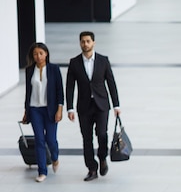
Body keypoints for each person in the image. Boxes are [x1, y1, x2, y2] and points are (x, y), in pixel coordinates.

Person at [66, 31, 120, 182]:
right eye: (83, 41)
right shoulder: (74, 62)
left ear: (93, 43)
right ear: (80, 43)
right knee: (87, 138)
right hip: (84, 107)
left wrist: (116, 104)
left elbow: (111, 83)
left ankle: (102, 157)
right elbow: (70, 87)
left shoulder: (103, 61)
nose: (85, 44)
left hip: (101, 104)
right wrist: (69, 108)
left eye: (88, 41)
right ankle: (91, 168)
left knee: (102, 134)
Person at [22, 42, 64, 183]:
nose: (38, 56)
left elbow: (60, 91)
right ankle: (42, 171)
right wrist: (26, 111)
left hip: (50, 110)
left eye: (41, 53)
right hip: (35, 110)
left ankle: (55, 158)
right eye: (35, 54)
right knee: (39, 140)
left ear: (46, 54)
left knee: (51, 140)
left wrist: (60, 110)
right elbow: (28, 92)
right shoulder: (29, 70)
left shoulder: (54, 69)